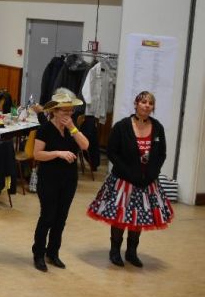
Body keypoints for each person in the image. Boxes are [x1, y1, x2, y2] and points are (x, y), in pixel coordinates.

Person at [87, 90, 174, 268]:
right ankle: (114, 251)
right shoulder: (122, 126)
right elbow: (112, 152)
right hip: (123, 181)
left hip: (147, 182)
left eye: (150, 103)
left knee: (138, 217)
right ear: (136, 104)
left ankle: (132, 252)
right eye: (143, 102)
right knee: (120, 217)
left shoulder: (157, 127)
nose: (147, 106)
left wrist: (152, 174)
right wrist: (129, 173)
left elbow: (162, 154)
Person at [31, 89, 90, 272]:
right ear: (54, 111)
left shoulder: (72, 129)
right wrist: (58, 153)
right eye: (65, 110)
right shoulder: (45, 129)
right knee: (47, 217)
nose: (68, 114)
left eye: (71, 110)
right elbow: (37, 154)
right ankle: (38, 253)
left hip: (69, 180)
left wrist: (73, 128)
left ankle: (53, 252)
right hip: (49, 179)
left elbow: (85, 145)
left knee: (61, 218)